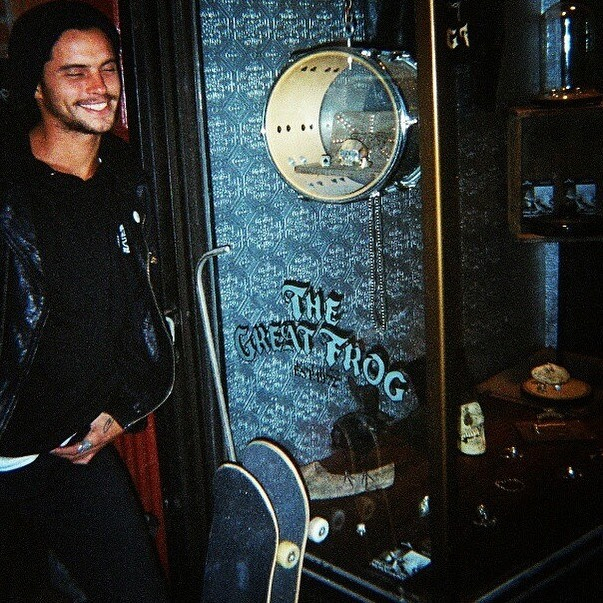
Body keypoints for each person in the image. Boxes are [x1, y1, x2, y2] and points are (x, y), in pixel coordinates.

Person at [0, 1, 175, 601]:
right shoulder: (9, 188)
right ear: (36, 86)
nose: (99, 88)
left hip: (73, 455)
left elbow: (143, 311)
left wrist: (121, 409)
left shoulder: (130, 178)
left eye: (107, 68)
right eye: (75, 72)